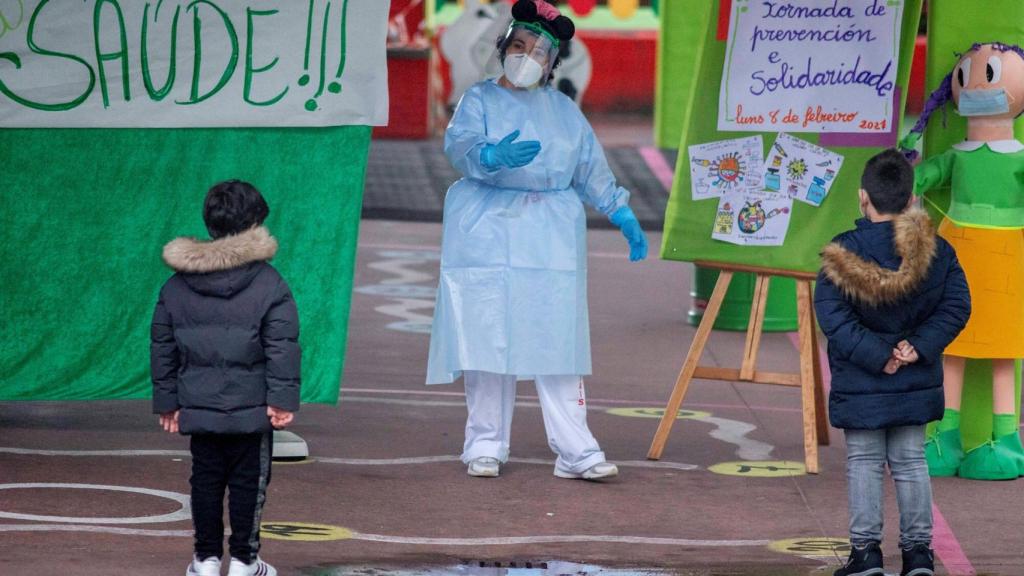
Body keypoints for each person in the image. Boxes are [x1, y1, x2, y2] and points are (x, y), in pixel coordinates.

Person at [425, 0, 648, 480]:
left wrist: (619, 209)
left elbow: (589, 167)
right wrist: (489, 153)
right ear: (504, 47)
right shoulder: (479, 101)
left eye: (540, 52)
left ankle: (576, 450)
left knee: (558, 339)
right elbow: (459, 146)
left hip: (550, 237)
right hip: (485, 231)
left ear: (552, 64)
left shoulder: (564, 111)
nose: (527, 58)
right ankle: (484, 443)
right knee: (487, 334)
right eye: (520, 47)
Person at [814, 150, 970, 576]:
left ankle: (866, 555)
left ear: (863, 197)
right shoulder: (939, 253)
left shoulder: (841, 254)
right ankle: (918, 554)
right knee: (910, 461)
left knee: (863, 461)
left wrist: (877, 356)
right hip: (915, 377)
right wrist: (916, 347)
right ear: (912, 199)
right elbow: (957, 306)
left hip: (862, 379)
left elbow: (833, 317)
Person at [151, 180, 300, 576]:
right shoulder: (271, 284)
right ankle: (245, 562)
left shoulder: (176, 285)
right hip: (252, 412)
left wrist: (167, 401)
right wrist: (281, 400)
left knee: (205, 480)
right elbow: (282, 346)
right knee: (249, 485)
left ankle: (205, 559)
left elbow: (162, 346)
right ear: (254, 225)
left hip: (198, 407)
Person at [899, 41, 1024, 480]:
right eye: (965, 75)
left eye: (988, 73)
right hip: (958, 255)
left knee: (1003, 352)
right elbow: (929, 173)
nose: (973, 84)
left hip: (1007, 259)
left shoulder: (1018, 160)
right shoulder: (958, 157)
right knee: (951, 344)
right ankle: (944, 433)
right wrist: (907, 177)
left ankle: (1005, 438)